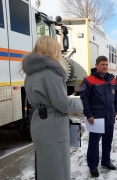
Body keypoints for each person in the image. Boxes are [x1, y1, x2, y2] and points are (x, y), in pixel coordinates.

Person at [21, 36, 83, 180]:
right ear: (52, 50)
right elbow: (63, 104)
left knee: (44, 166)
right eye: (58, 49)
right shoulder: (51, 73)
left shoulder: (30, 73)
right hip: (53, 126)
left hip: (38, 122)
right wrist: (82, 103)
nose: (60, 53)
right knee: (57, 168)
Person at [80, 55, 117, 178]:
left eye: (106, 64)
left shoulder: (112, 79)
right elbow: (84, 99)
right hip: (96, 118)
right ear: (96, 65)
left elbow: (116, 96)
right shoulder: (88, 80)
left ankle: (106, 161)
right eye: (102, 64)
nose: (105, 67)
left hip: (109, 116)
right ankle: (93, 166)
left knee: (107, 141)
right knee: (94, 143)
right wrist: (89, 114)